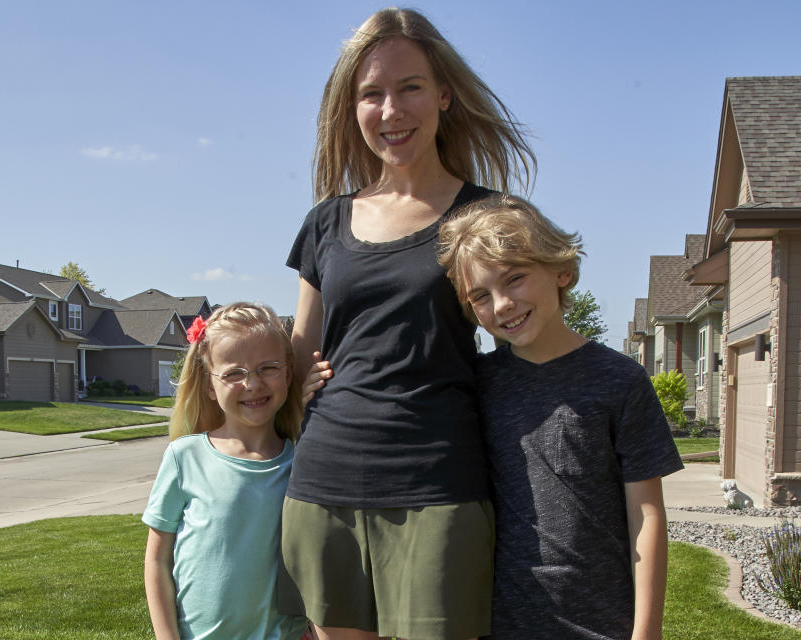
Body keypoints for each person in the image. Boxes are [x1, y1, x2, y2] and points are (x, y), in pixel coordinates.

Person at [282, 8, 535, 640]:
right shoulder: (325, 222)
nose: (391, 110)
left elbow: (528, 329)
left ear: (444, 94)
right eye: (372, 93)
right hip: (325, 483)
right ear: (353, 108)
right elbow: (298, 350)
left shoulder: (484, 215)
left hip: (439, 482)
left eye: (409, 87)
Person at [436, 195, 684, 640]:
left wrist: (647, 633)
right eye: (481, 296)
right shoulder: (475, 384)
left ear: (561, 270)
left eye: (514, 279)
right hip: (498, 622)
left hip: (603, 620)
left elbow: (646, 514)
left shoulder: (621, 380)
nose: (503, 303)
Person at [142, 302, 311, 640]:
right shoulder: (184, 457)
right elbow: (156, 561)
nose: (252, 384)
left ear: (289, 373)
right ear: (209, 384)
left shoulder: (303, 463)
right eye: (234, 373)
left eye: (268, 368)